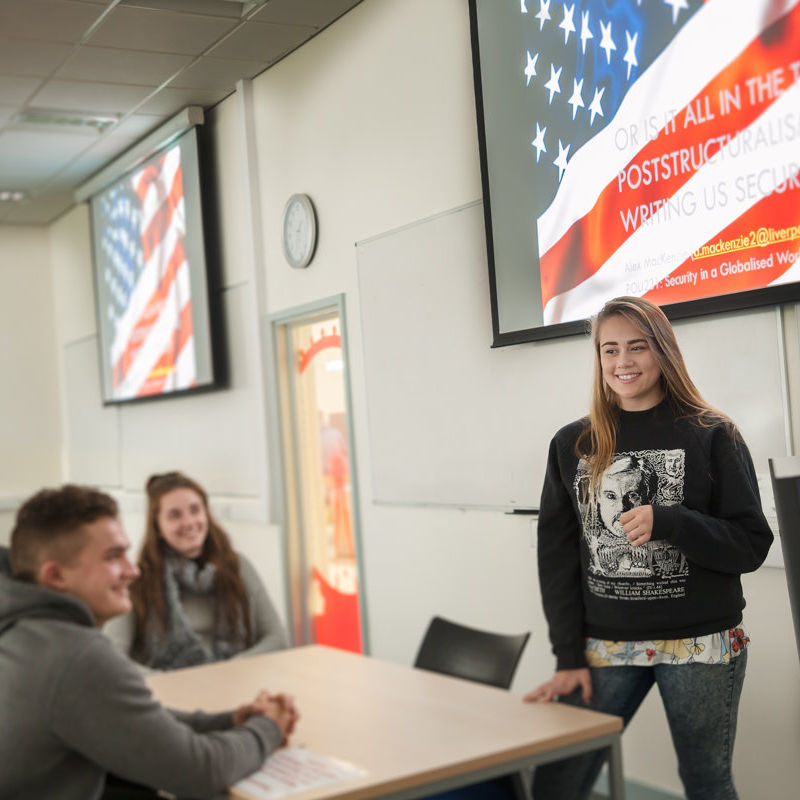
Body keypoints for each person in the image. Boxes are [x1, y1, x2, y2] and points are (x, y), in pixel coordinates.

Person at [525, 296, 773, 800]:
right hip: (605, 647)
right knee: (559, 779)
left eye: (637, 347)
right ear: (597, 359)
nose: (623, 362)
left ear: (663, 352)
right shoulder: (572, 443)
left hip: (700, 646)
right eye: (609, 349)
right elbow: (555, 557)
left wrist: (673, 521)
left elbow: (750, 544)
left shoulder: (713, 434)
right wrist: (567, 655)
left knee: (706, 782)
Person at [0, 484, 298, 800]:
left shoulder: (29, 630)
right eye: (113, 557)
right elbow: (201, 772)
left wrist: (227, 720)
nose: (132, 570)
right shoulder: (75, 655)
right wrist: (268, 727)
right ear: (56, 576)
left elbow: (126, 718)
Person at [110, 471, 289, 671]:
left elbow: (277, 638)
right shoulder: (137, 580)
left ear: (206, 515)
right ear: (158, 528)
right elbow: (111, 655)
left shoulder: (238, 567)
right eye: (175, 515)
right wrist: (162, 682)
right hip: (168, 695)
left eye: (195, 510)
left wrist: (230, 670)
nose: (189, 522)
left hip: (237, 685)